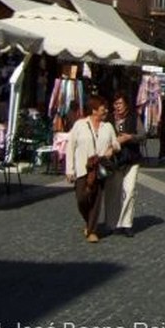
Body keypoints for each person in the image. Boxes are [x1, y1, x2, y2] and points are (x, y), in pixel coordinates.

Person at [65, 95, 119, 243]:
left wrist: (112, 148)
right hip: (83, 168)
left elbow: (116, 143)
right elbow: (70, 147)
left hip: (99, 168)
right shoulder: (79, 125)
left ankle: (91, 231)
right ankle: (90, 222)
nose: (105, 111)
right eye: (103, 109)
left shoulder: (107, 126)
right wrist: (69, 169)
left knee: (96, 200)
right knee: (81, 199)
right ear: (94, 110)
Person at [103, 93, 145, 237]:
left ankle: (126, 224)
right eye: (115, 104)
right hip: (114, 161)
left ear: (126, 104)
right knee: (112, 192)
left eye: (120, 103)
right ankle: (111, 223)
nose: (118, 106)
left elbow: (142, 135)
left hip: (131, 159)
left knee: (129, 191)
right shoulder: (108, 119)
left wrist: (129, 137)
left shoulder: (134, 117)